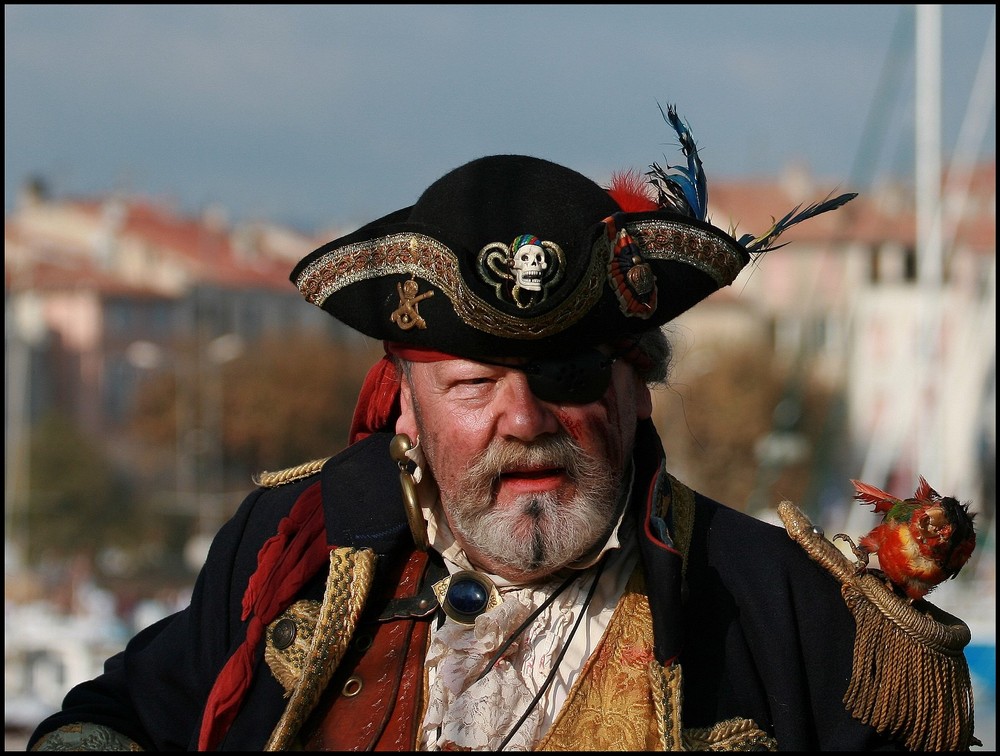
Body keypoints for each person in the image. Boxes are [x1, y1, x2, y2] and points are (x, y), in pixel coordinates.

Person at [28, 104, 977, 752]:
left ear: (636, 384)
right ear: (406, 398)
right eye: (476, 383)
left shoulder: (784, 611)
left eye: (564, 376)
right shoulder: (290, 553)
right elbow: (118, 717)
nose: (521, 421)